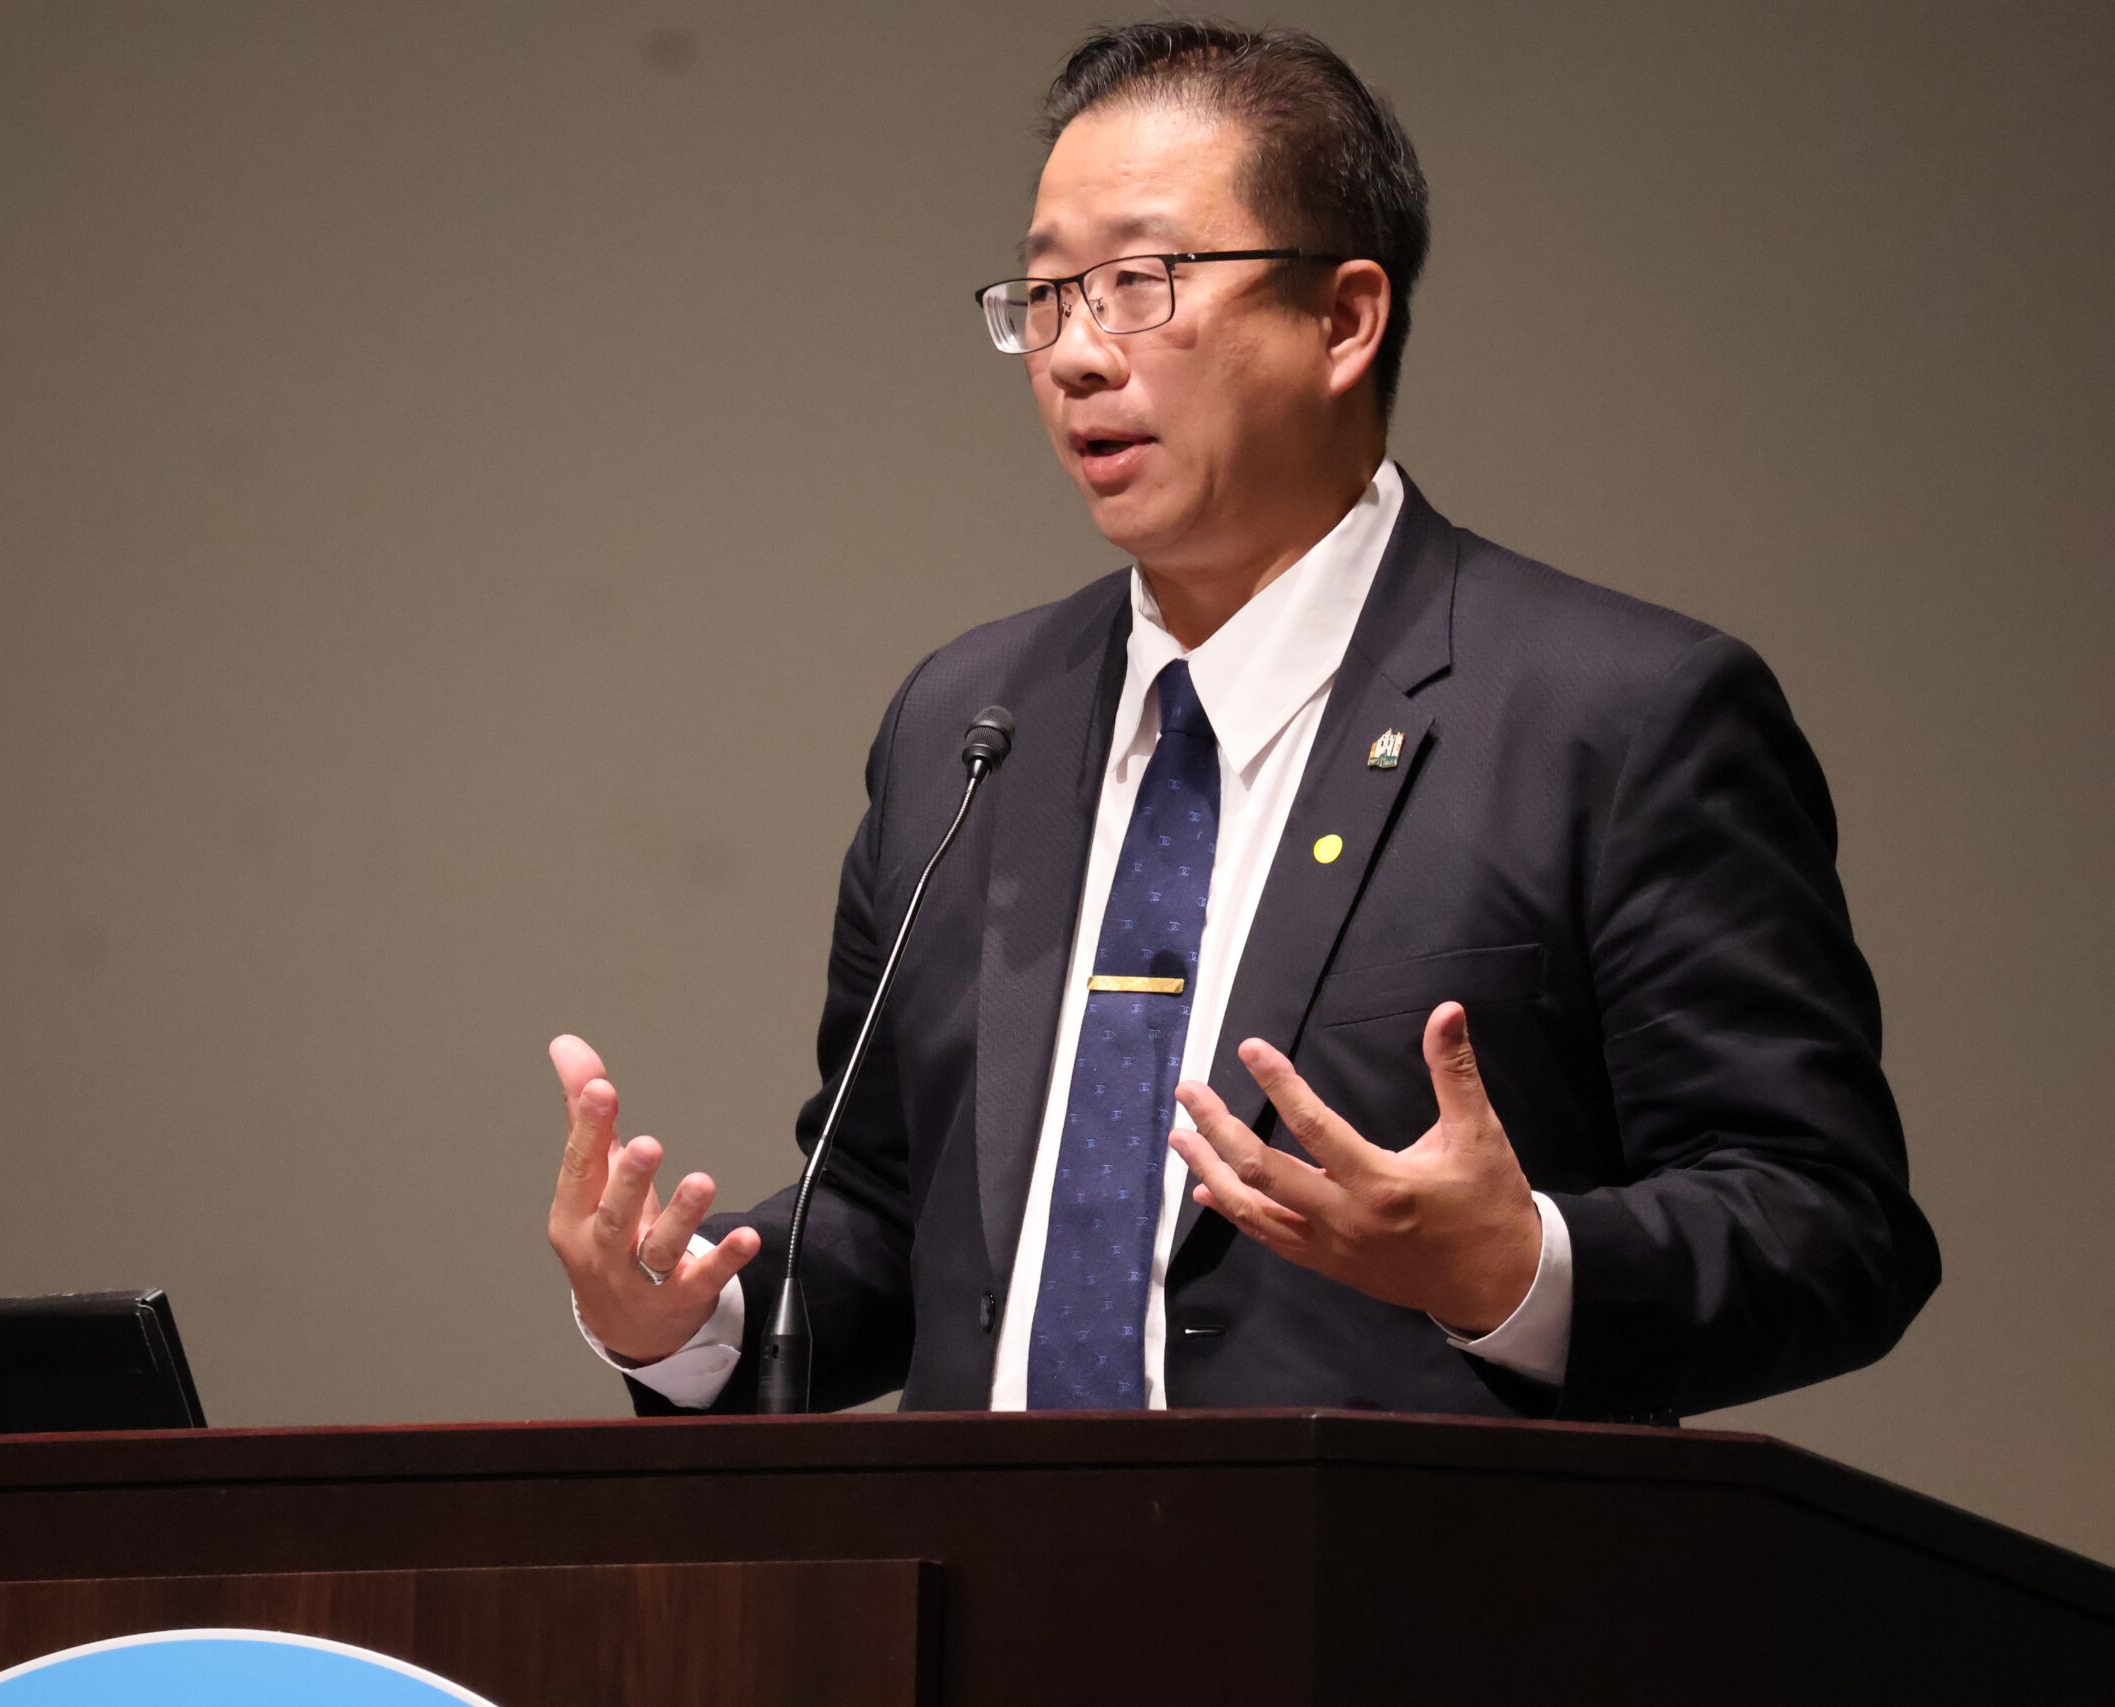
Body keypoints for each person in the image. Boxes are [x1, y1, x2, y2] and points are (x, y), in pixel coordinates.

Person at [545, 20, 1938, 1421]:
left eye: (1137, 284)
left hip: (1400, 1556)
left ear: (1343, 320)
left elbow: (1828, 1223)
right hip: (981, 1556)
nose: (1074, 355)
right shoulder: (964, 728)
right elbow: (886, 1214)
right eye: (1044, 296)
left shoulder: (1617, 716)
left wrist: (1521, 1269)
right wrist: (694, 1318)